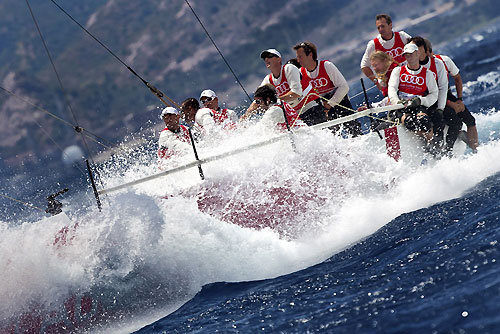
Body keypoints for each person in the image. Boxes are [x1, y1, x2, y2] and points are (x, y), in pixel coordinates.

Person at [293, 41, 362, 136]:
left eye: (300, 56)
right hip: (323, 107)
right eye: (297, 57)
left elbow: (344, 87)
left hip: (339, 101)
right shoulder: (301, 73)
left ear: (310, 55)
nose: (298, 60)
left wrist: (330, 104)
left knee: (354, 130)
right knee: (330, 135)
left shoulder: (327, 66)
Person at [426, 41, 479, 151]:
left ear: (430, 51)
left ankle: (476, 150)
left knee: (470, 120)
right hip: (432, 100)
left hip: (447, 95)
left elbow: (457, 78)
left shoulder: (444, 61)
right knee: (456, 122)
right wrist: (451, 104)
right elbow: (430, 94)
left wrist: (459, 100)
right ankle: (448, 150)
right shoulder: (420, 68)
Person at [388, 43, 439, 146]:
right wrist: (397, 102)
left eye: (411, 54)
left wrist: (421, 101)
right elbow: (391, 89)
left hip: (418, 105)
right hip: (401, 106)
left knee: (425, 121)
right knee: (409, 120)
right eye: (406, 55)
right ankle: (422, 142)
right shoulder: (398, 71)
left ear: (417, 54)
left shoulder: (427, 74)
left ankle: (432, 147)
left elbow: (434, 94)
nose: (408, 57)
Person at [409, 36, 452, 151]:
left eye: (417, 48)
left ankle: (444, 149)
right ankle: (428, 147)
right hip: (418, 103)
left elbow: (443, 88)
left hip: (435, 100)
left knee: (441, 119)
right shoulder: (407, 67)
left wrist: (440, 109)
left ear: (424, 49)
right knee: (423, 120)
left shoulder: (438, 64)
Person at [360, 14, 411, 91]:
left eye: (382, 26)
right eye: (378, 28)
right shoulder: (373, 44)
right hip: (390, 86)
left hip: (409, 80)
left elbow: (418, 50)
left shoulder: (402, 36)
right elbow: (364, 66)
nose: (380, 29)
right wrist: (377, 82)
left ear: (390, 25)